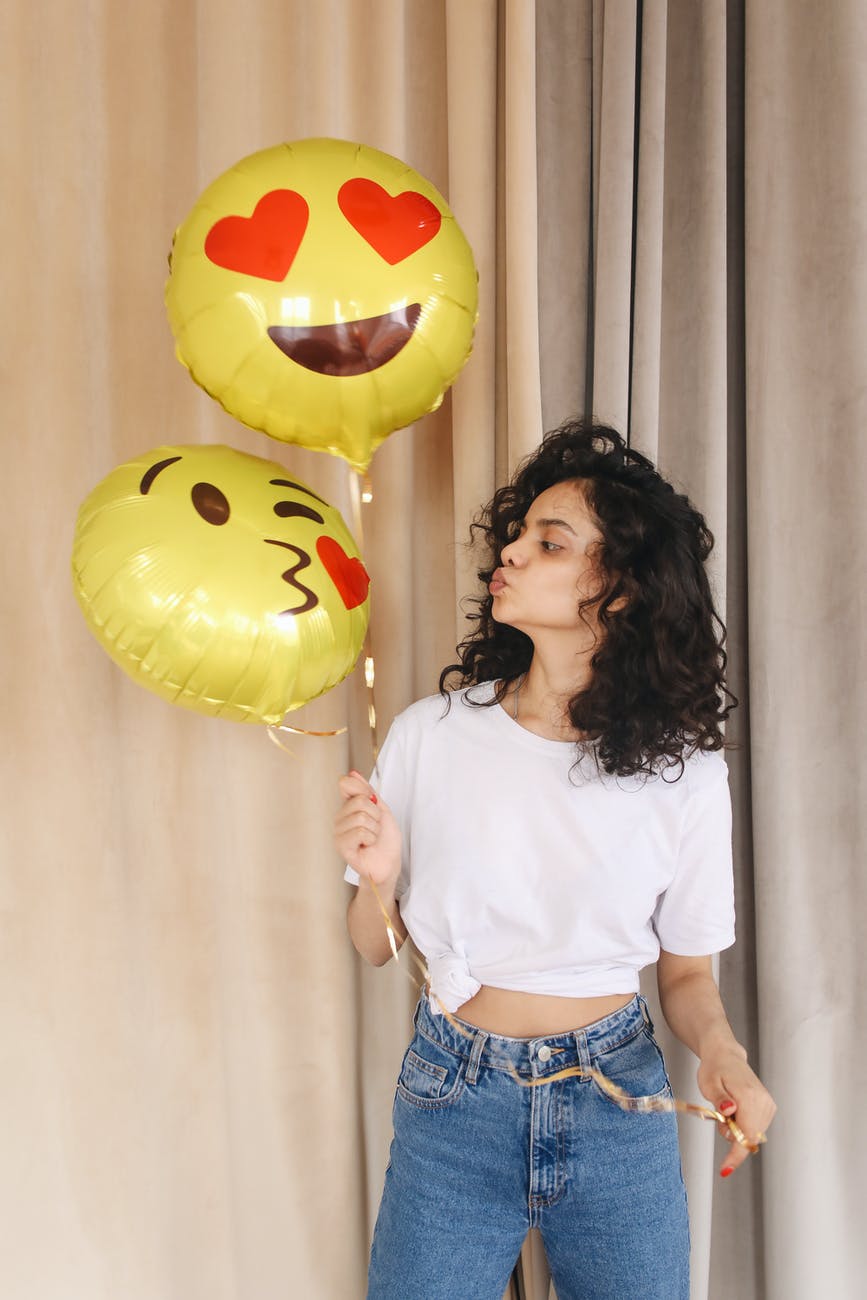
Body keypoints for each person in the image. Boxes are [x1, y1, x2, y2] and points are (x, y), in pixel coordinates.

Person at [335, 420, 776, 1300]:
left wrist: (723, 1054)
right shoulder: (433, 734)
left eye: (549, 542)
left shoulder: (683, 775)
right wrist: (377, 879)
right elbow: (376, 945)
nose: (510, 552)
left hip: (616, 1094)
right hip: (452, 1093)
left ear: (617, 590)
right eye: (517, 534)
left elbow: (686, 974)